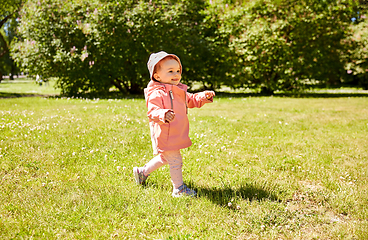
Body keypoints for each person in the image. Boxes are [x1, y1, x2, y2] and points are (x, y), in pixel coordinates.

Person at [133, 51, 215, 197]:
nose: (176, 74)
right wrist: (163, 114)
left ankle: (142, 172)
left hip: (176, 132)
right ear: (157, 76)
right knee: (175, 160)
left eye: (178, 70)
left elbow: (191, 100)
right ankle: (179, 189)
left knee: (165, 158)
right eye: (170, 71)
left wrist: (203, 96)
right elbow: (152, 111)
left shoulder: (178, 90)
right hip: (164, 132)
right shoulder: (156, 93)